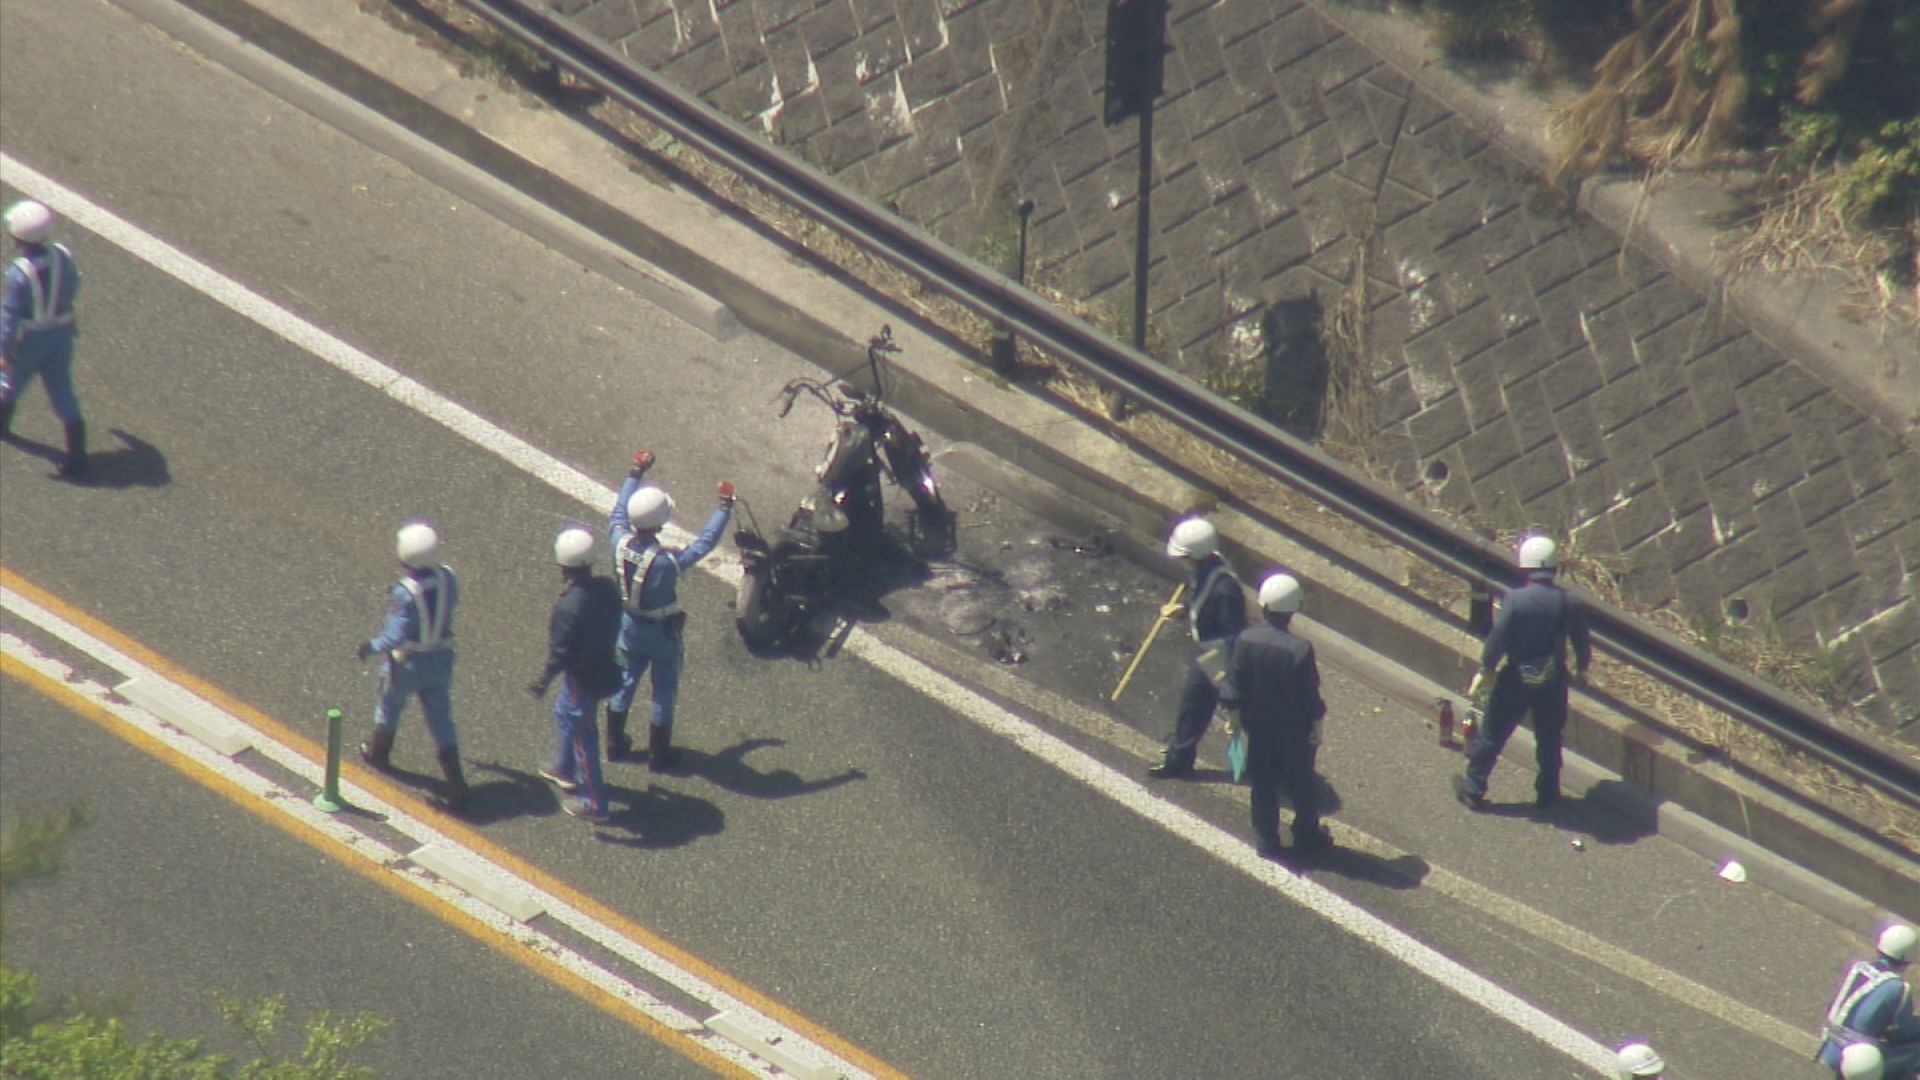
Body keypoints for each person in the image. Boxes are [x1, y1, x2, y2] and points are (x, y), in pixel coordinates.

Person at [603, 449, 734, 769]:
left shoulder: (617, 539)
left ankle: (614, 743)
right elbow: (703, 544)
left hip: (627, 627)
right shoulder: (666, 562)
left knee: (623, 681)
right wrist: (724, 507)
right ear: (660, 522)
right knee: (663, 690)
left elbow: (619, 511)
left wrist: (635, 471)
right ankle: (659, 753)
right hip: (661, 633)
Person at [1453, 531, 1591, 811]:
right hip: (1552, 679)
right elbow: (1581, 644)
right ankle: (1548, 791)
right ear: (1554, 567)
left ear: (1524, 564)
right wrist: (1581, 669)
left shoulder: (1516, 600)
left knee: (1493, 733)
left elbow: (1497, 640)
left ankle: (1473, 787)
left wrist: (1487, 668)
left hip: (1517, 677)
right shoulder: (1570, 602)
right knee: (1549, 737)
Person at [1219, 571, 1328, 860]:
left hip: (1258, 726)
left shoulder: (1245, 639)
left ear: (1264, 604)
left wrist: (1233, 716)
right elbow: (1310, 695)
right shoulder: (1300, 649)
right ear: (1293, 610)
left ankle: (1266, 839)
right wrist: (1317, 724)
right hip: (1293, 731)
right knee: (1302, 783)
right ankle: (1307, 835)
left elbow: (1233, 684)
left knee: (1263, 783)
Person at [356, 523, 466, 809]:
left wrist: (371, 646)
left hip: (409, 663)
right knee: (441, 718)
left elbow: (395, 635)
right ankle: (457, 781)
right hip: (441, 659)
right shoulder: (448, 578)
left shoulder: (405, 592)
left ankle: (379, 753)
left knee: (390, 705)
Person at [530, 526, 625, 824]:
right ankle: (563, 767)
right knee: (565, 714)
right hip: (607, 666)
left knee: (584, 737)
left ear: (563, 566)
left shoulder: (567, 606)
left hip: (581, 678)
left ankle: (596, 803)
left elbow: (560, 652)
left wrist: (543, 680)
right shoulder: (608, 588)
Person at [1147, 517, 1248, 779]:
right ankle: (1179, 757)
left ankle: (1273, 761)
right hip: (1206, 651)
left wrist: (1228, 679)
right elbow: (1203, 606)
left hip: (1216, 656)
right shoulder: (1206, 570)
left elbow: (1232, 635)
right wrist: (1184, 610)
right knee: (1193, 708)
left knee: (1216, 708)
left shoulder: (1225, 589)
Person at [0, 199, 86, 477]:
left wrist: (3, 350)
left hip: (31, 339)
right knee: (62, 389)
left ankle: (2, 424)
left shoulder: (19, 274)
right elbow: (73, 286)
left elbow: (10, 317)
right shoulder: (63, 256)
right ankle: (76, 455)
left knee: (10, 382)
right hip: (61, 335)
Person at [1816, 923, 1920, 1079]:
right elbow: (1903, 1031)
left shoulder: (1858, 968)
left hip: (1829, 1047)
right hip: (1860, 1058)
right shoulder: (1897, 988)